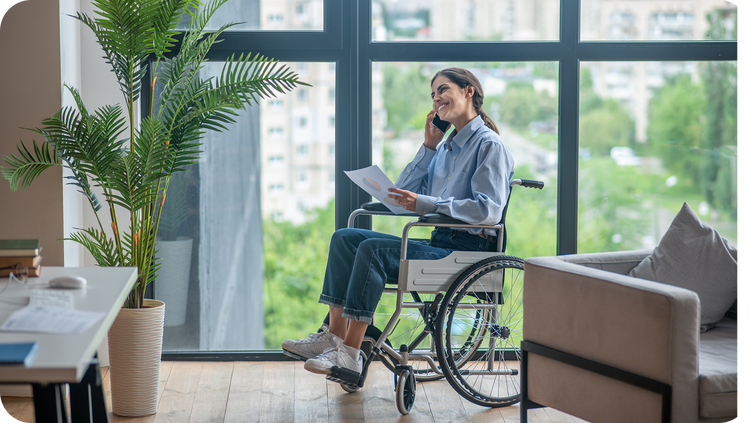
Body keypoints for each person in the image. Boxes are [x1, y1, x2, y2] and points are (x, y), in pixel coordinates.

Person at [282, 67, 515, 376]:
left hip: (468, 252)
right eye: (433, 94)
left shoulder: (489, 146)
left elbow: (488, 211)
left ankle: (350, 354)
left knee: (374, 250)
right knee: (345, 238)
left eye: (443, 90)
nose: (436, 99)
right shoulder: (445, 147)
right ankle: (334, 336)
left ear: (468, 91)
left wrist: (424, 202)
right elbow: (401, 194)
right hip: (439, 243)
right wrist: (429, 146)